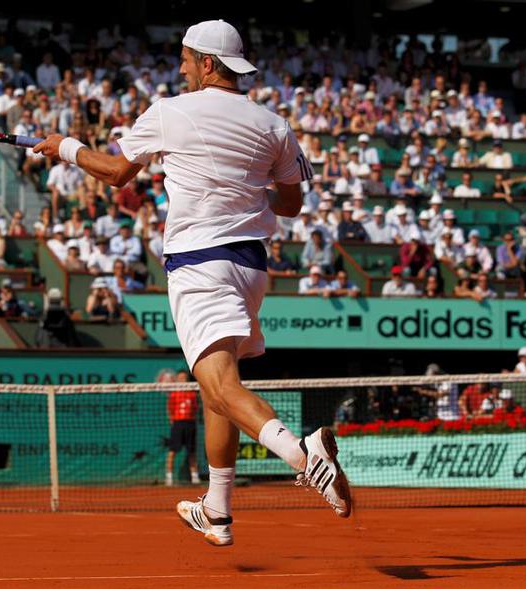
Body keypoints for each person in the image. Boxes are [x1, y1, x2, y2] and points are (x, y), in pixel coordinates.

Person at [33, 20, 351, 547]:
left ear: (206, 63)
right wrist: (246, 191)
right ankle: (217, 509)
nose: (180, 68)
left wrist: (66, 146)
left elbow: (116, 173)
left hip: (200, 264)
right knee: (215, 388)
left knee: (221, 386)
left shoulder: (171, 111)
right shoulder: (274, 124)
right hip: (251, 268)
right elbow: (292, 204)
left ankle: (304, 457)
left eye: (185, 59)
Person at [165, 369, 201, 486]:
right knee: (172, 451)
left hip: (190, 424)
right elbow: (169, 409)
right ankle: (169, 477)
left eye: (184, 378)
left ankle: (195, 477)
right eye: (180, 378)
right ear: (177, 380)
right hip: (178, 424)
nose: (182, 380)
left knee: (191, 452)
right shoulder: (174, 394)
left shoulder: (192, 394)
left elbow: (195, 409)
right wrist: (173, 420)